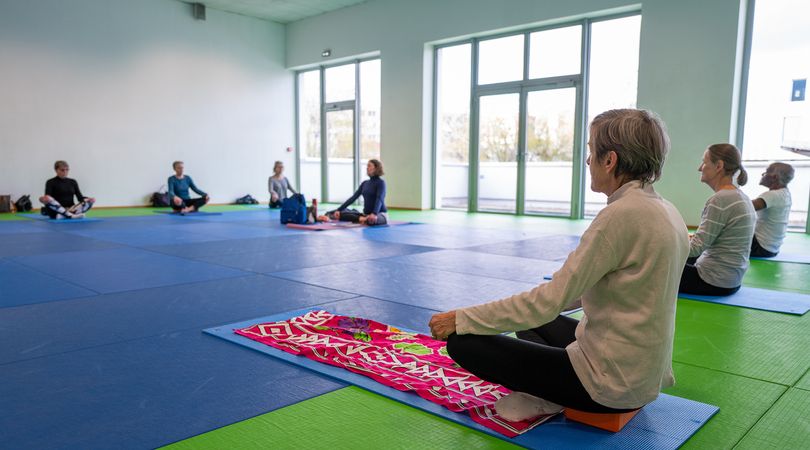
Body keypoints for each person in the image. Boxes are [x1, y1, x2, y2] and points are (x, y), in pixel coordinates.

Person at [428, 109, 689, 421]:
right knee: (528, 321)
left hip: (607, 388)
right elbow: (587, 292)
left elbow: (548, 302)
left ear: (610, 161)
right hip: (643, 377)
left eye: (592, 151)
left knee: (463, 342)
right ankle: (550, 387)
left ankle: (552, 396)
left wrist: (462, 318)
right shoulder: (668, 211)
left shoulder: (621, 216)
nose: (588, 161)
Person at [680, 144, 756, 296]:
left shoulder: (721, 200)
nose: (700, 168)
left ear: (719, 166)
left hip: (712, 281)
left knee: (655, 265)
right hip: (731, 280)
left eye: (704, 162)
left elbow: (694, 249)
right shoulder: (740, 196)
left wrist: (663, 244)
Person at [326, 159, 388, 226]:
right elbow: (353, 198)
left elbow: (380, 198)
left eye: (369, 166)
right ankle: (361, 219)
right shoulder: (365, 183)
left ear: (376, 168)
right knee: (338, 214)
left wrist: (374, 213)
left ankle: (362, 219)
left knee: (371, 220)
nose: (367, 168)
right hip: (365, 215)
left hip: (379, 215)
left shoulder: (381, 183)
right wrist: (339, 210)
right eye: (367, 166)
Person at [751, 162, 794, 257]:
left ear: (774, 177)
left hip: (760, 247)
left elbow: (743, 207)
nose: (763, 175)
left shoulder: (772, 195)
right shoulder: (785, 193)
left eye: (766, 172)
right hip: (771, 249)